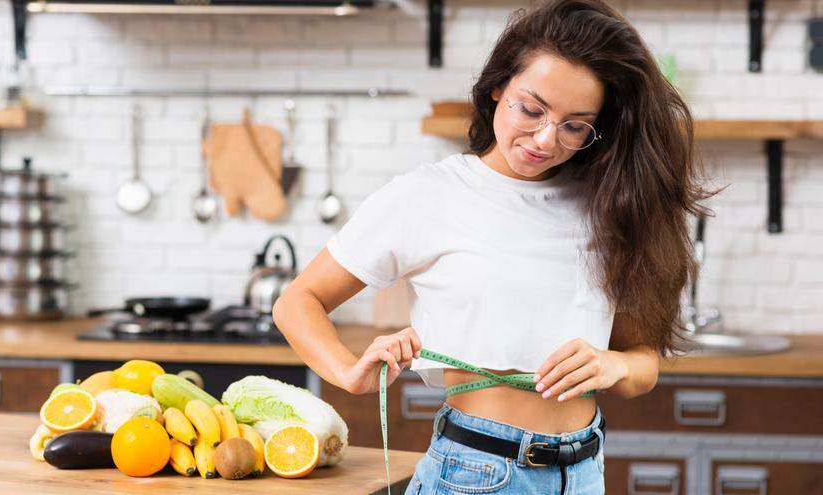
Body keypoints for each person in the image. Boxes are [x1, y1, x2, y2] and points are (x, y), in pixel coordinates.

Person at [272, 0, 711, 493]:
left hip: (585, 471)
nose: (545, 140)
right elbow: (297, 301)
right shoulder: (429, 194)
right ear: (498, 85)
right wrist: (347, 373)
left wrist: (615, 364)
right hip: (479, 472)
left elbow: (642, 361)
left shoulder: (611, 204)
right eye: (531, 109)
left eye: (574, 125)